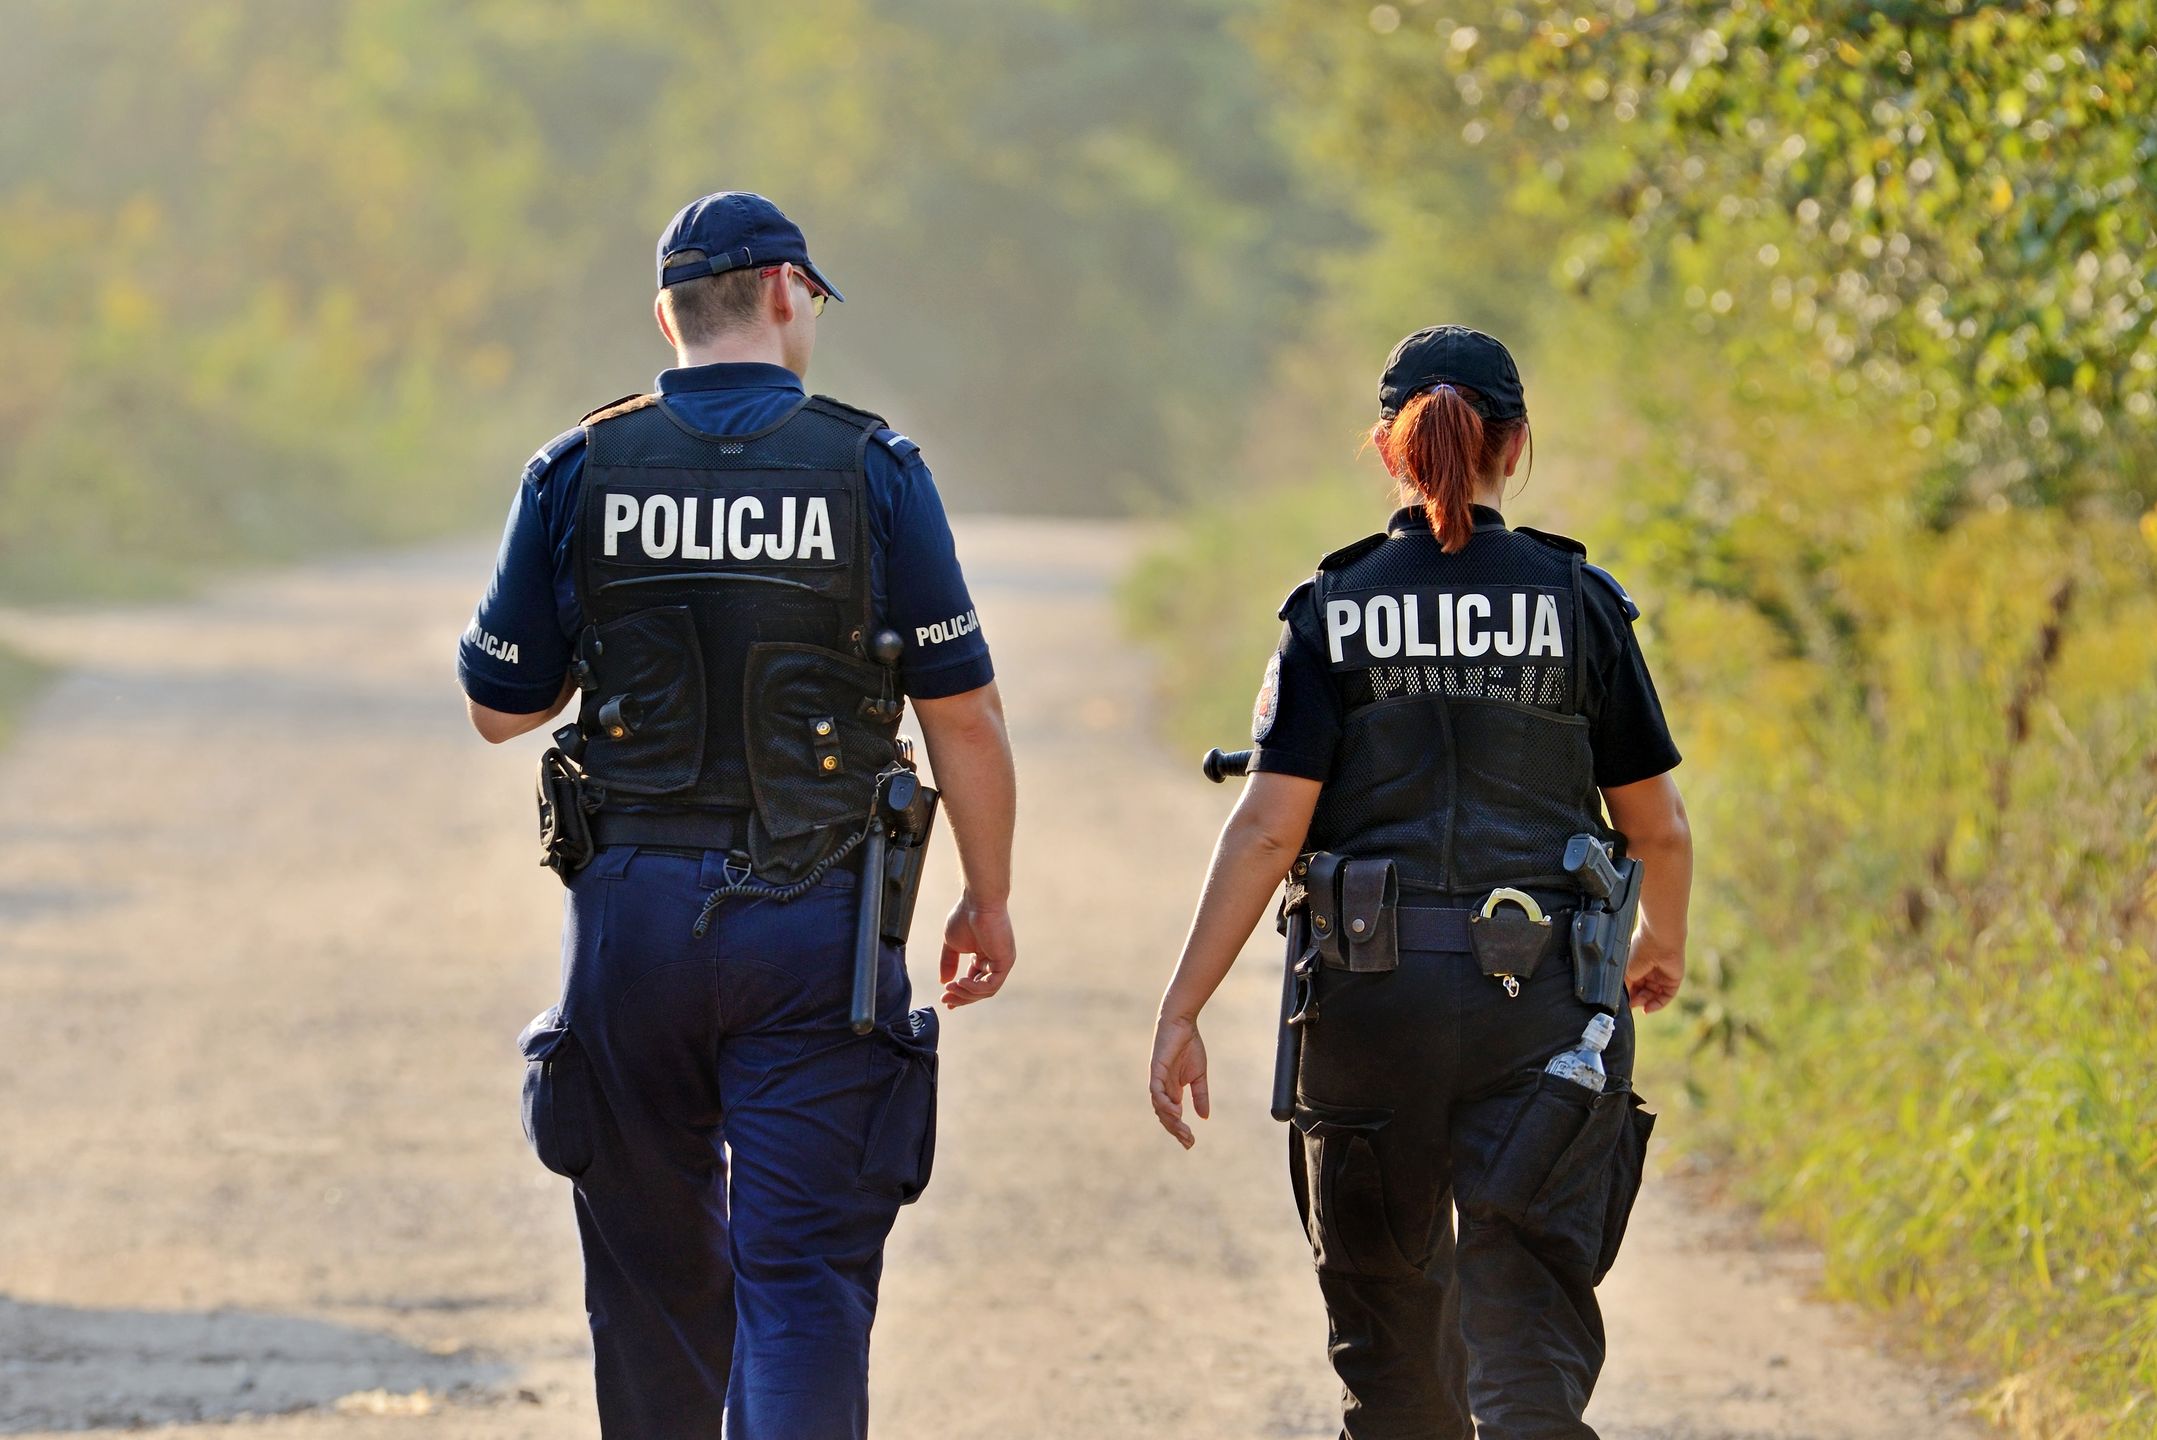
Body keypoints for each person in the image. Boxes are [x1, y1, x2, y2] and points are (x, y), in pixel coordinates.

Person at [456, 191, 1019, 1439]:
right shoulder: (874, 470)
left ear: (667, 314)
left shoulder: (577, 466)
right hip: (817, 922)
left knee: (652, 1285)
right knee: (803, 1280)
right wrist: (987, 894)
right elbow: (962, 716)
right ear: (782, 292)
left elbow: (502, 706)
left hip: (631, 928)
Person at [1147, 325, 1692, 1439]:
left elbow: (1266, 831)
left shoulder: (1331, 608)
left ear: (1390, 451)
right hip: (1544, 1011)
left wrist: (1182, 1005)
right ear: (1517, 443)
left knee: (1392, 1372)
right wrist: (1657, 944)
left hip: (1367, 1008)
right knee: (1527, 1355)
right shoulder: (1581, 604)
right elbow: (1658, 828)